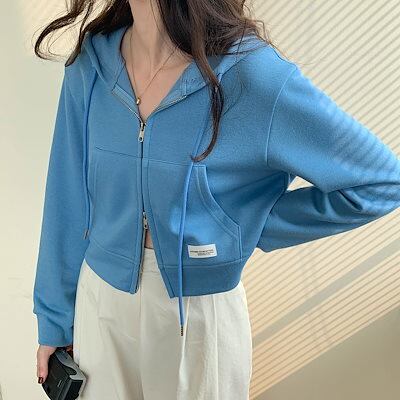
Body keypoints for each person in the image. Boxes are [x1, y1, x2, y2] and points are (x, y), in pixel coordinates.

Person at [33, 0, 400, 399]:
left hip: (199, 317)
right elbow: (66, 197)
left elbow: (382, 181)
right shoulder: (91, 65)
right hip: (100, 304)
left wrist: (241, 227)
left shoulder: (250, 74)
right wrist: (54, 321)